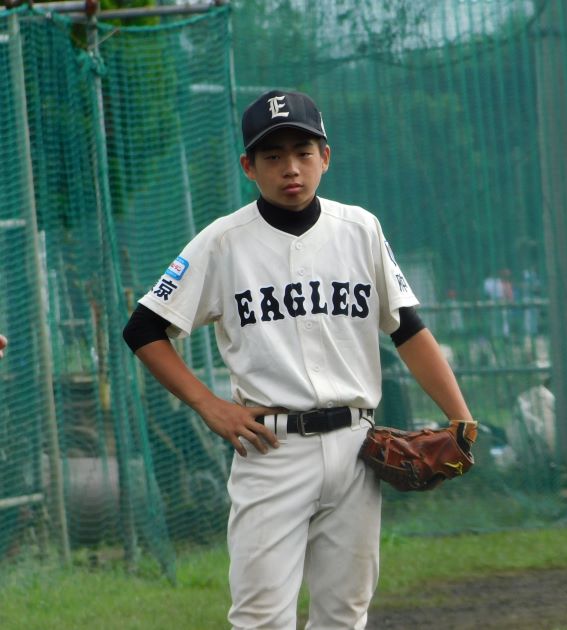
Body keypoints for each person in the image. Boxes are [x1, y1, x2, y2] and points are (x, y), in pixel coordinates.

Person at [122, 90, 474, 629]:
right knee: (261, 618)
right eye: (273, 155)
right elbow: (144, 328)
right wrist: (210, 406)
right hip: (272, 449)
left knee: (345, 615)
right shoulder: (223, 242)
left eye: (303, 152)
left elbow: (406, 328)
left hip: (357, 447)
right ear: (249, 166)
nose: (290, 168)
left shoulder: (360, 229)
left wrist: (460, 416)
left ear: (325, 157)